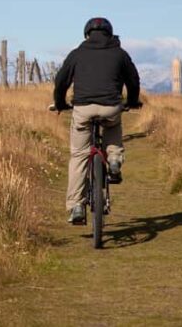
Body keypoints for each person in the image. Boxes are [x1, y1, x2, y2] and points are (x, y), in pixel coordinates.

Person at [53, 17, 141, 225]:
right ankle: (114, 160)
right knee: (113, 125)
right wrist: (133, 101)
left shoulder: (77, 54)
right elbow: (133, 79)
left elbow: (61, 81)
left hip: (82, 108)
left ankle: (76, 206)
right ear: (110, 34)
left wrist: (59, 103)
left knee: (78, 155)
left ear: (86, 34)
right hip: (111, 106)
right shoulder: (120, 53)